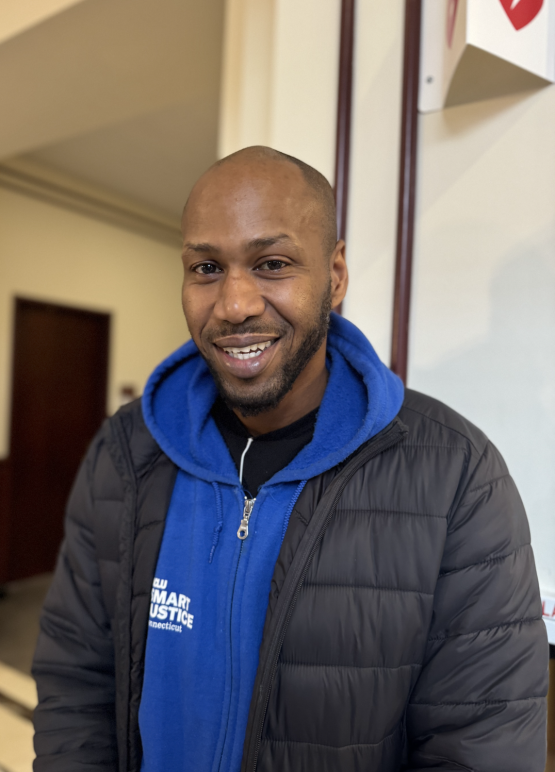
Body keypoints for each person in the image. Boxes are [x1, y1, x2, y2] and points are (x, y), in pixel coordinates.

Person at [32, 146, 548, 772]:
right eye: (206, 268)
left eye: (272, 264)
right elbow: (75, 684)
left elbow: (482, 744)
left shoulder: (457, 477)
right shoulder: (126, 450)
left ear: (335, 276)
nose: (235, 304)